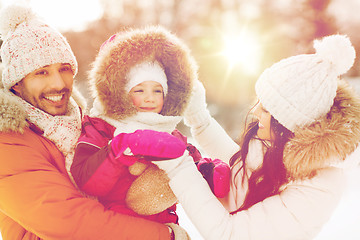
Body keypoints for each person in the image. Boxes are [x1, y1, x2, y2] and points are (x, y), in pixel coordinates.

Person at [154, 34, 360, 240]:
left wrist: (177, 165)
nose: (256, 113)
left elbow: (229, 234)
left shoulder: (318, 188)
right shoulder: (277, 147)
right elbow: (238, 166)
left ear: (289, 122)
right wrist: (199, 117)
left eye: (267, 109)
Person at [0, 5, 174, 239]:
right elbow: (70, 220)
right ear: (16, 84)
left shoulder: (86, 125)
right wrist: (165, 235)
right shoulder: (8, 142)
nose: (58, 84)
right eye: (41, 72)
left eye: (64, 69)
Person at [70, 26, 230, 239]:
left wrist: (207, 172)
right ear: (121, 93)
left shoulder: (169, 132)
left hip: (164, 229)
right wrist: (120, 149)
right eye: (139, 90)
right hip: (120, 229)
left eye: (157, 90)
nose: (150, 98)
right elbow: (87, 180)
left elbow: (188, 161)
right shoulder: (101, 127)